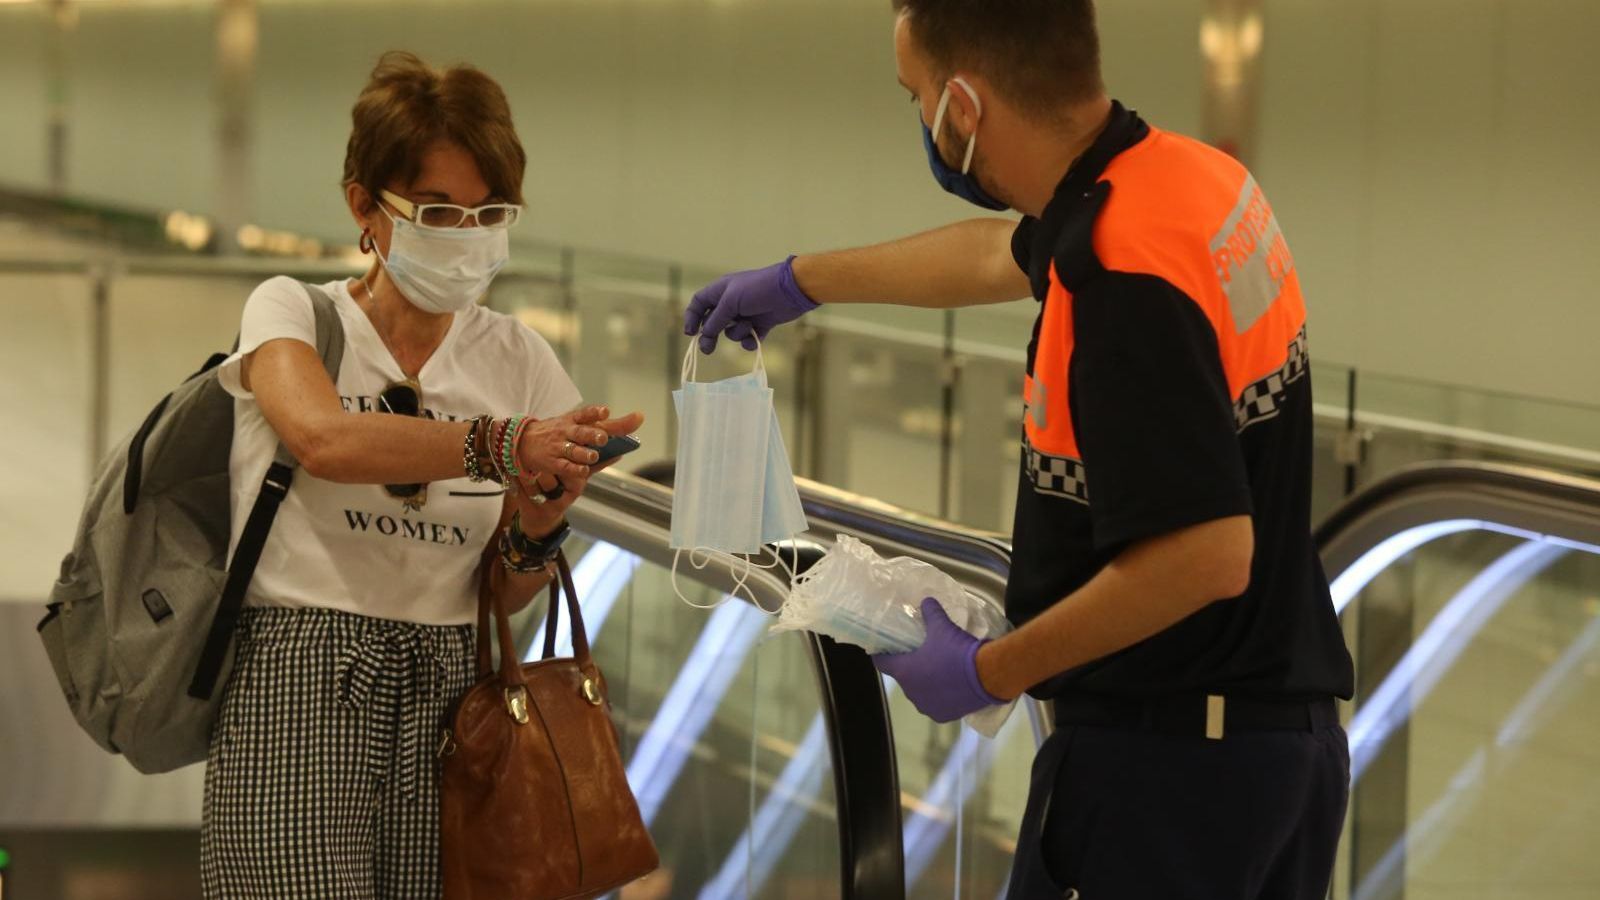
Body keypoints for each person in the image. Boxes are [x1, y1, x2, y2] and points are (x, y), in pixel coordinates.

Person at [682, 2, 1351, 897]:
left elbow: (1206, 555)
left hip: (1166, 783)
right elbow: (999, 255)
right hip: (1280, 761)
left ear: (964, 105)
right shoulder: (1188, 183)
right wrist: (804, 281)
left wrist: (987, 673)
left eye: (915, 95)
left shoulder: (1117, 278)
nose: (919, 119)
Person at [199, 51, 643, 898]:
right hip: (301, 677)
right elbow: (323, 438)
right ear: (365, 206)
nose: (466, 237)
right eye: (439, 210)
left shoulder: (520, 359)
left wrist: (541, 525)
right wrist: (501, 446)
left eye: (490, 213)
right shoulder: (295, 311)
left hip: (454, 691)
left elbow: (504, 593)